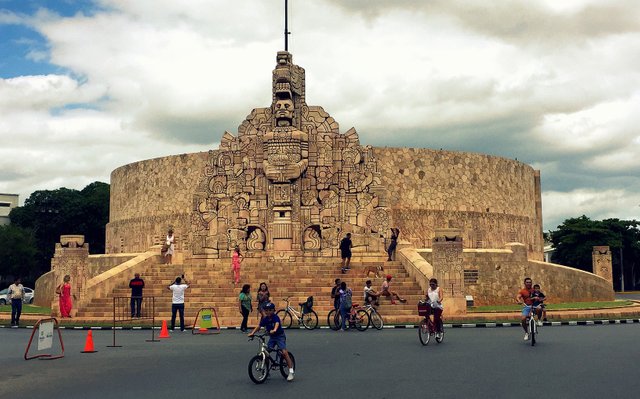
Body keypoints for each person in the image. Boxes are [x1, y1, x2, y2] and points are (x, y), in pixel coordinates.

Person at [247, 302, 295, 381]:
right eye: (266, 310)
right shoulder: (265, 319)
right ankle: (266, 371)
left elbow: (277, 324)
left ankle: (291, 371)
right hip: (272, 337)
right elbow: (259, 326)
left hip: (279, 336)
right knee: (266, 353)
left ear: (273, 310)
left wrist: (275, 329)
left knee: (284, 352)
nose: (268, 312)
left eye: (270, 310)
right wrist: (252, 333)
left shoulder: (275, 317)